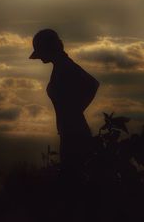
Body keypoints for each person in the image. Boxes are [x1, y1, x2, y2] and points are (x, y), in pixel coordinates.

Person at [29, 29, 100, 178]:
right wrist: (76, 109)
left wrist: (76, 109)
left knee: (73, 180)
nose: (39, 57)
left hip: (74, 134)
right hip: (69, 132)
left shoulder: (64, 66)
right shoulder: (60, 65)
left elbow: (92, 83)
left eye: (41, 51)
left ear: (48, 49)